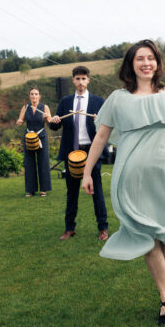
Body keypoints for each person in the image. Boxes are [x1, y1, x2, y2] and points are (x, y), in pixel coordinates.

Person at [81, 39, 165, 325]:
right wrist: (86, 171)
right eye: (140, 58)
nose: (146, 63)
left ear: (157, 63)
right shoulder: (118, 98)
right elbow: (102, 137)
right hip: (132, 177)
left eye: (151, 58)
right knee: (145, 233)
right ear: (131, 64)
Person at [48, 66, 109, 241]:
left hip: (92, 151)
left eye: (84, 78)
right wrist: (53, 120)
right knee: (72, 191)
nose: (80, 82)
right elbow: (55, 126)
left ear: (88, 80)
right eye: (77, 78)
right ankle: (69, 228)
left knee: (96, 190)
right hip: (71, 152)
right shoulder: (65, 102)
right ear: (73, 80)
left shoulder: (98, 101)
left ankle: (103, 228)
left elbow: (107, 126)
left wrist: (101, 121)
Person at [15, 87, 53, 197]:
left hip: (41, 136)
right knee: (29, 163)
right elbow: (20, 121)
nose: (34, 96)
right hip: (28, 137)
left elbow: (50, 124)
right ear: (29, 96)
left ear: (39, 96)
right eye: (32, 94)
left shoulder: (44, 107)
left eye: (36, 94)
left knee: (43, 162)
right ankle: (30, 190)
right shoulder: (25, 107)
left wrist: (46, 118)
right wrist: (19, 121)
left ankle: (44, 189)